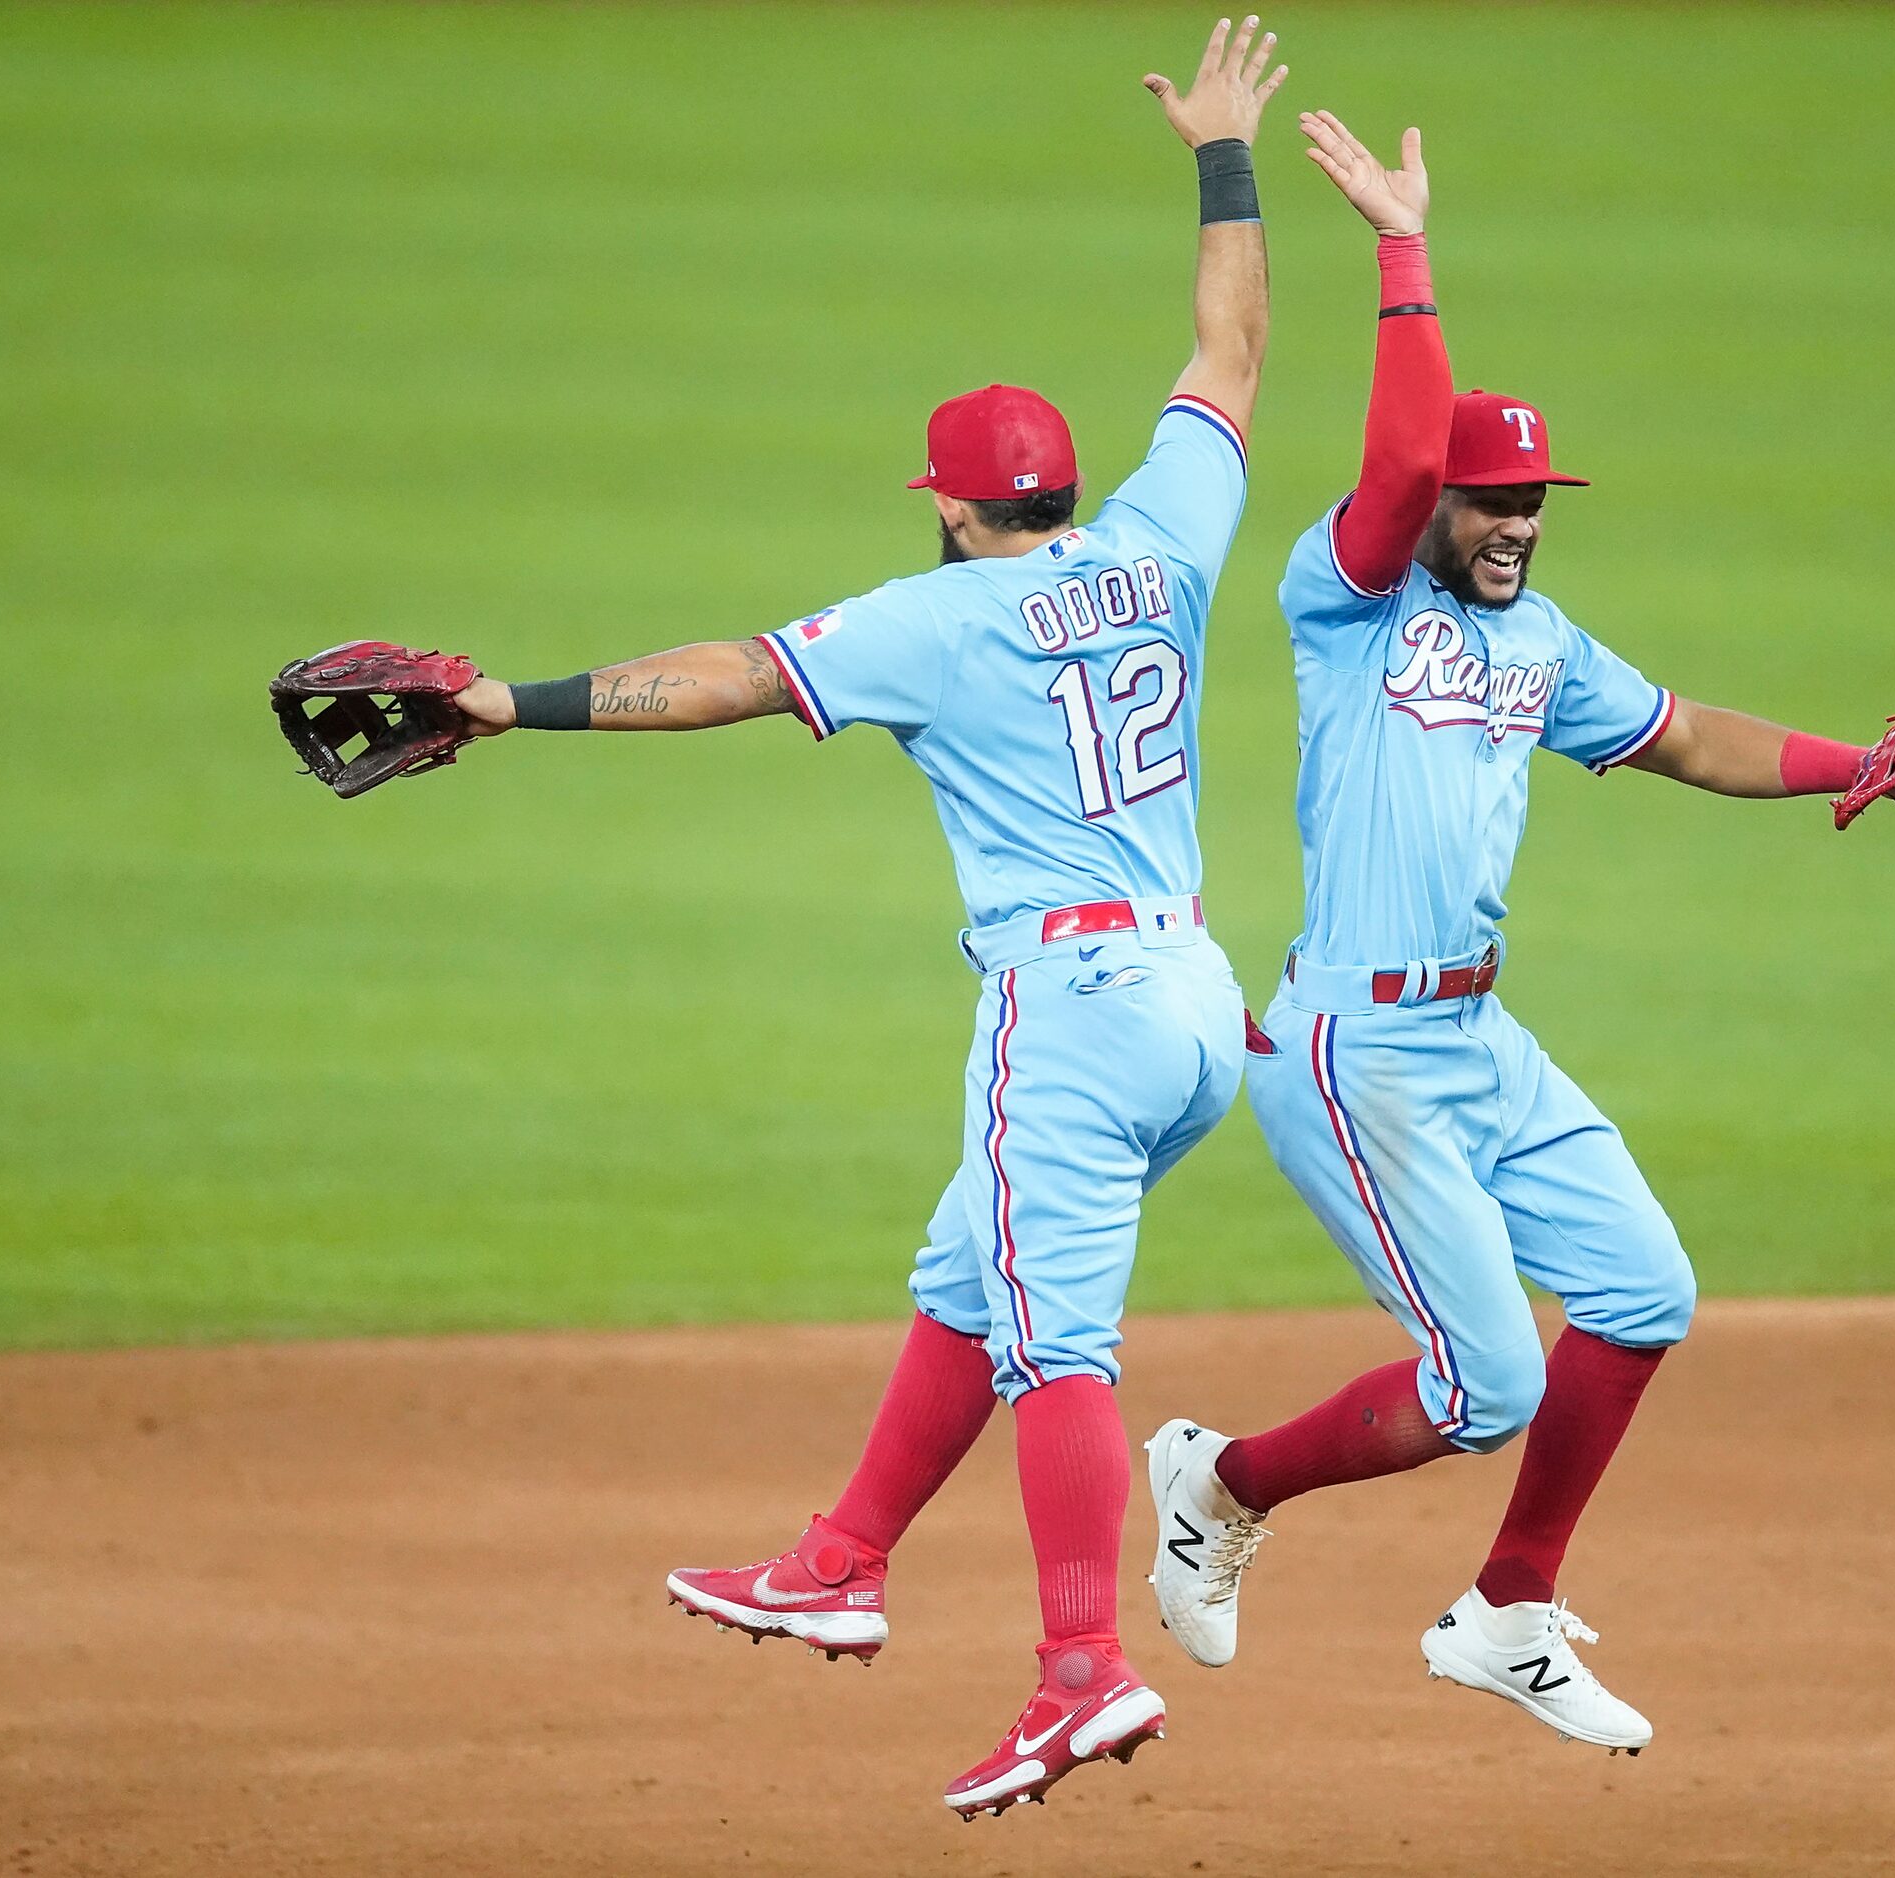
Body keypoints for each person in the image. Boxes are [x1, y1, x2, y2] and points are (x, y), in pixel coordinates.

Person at [444, 19, 1288, 1817]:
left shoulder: (939, 622)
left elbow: (727, 677)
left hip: (1065, 1006)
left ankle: (1082, 1671)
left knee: (1060, 1334)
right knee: (971, 1280)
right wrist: (1223, 156)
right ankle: (838, 1561)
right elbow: (1230, 348)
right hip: (1199, 1003)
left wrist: (514, 701)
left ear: (962, 511)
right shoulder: (1161, 538)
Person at [1144, 109, 1895, 1756]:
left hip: (1472, 1037)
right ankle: (1217, 1483)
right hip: (1353, 1047)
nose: (1513, 517)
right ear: (1437, 502)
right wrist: (1400, 244)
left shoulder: (1542, 641)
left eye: (1533, 494)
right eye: (1488, 495)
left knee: (1644, 1290)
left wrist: (1851, 761)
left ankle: (1507, 1607)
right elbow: (1387, 470)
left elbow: (1676, 733)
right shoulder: (1346, 596)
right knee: (1484, 1384)